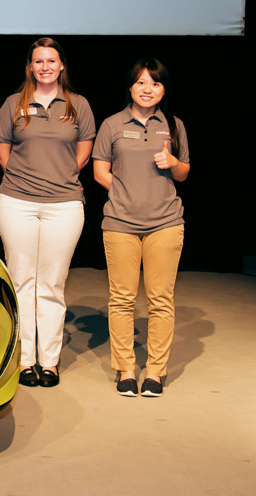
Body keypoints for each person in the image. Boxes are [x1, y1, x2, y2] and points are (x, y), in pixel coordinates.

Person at [0, 38, 96, 388]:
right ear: (31, 66)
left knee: (52, 284)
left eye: (51, 61)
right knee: (22, 280)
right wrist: (26, 179)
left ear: (62, 65)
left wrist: (57, 177)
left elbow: (84, 152)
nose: (45, 67)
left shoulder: (78, 105)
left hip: (64, 204)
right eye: (38, 61)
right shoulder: (13, 103)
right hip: (17, 203)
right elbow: (1, 150)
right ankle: (24, 362)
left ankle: (49, 362)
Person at [92, 58, 189, 398]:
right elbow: (100, 170)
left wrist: (173, 163)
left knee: (161, 299)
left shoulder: (173, 126)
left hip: (165, 222)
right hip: (120, 223)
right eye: (141, 83)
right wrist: (121, 192)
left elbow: (183, 173)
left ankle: (156, 372)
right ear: (130, 87)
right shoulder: (111, 125)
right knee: (122, 299)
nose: (148, 89)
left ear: (163, 89)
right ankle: (126, 369)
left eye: (156, 83)